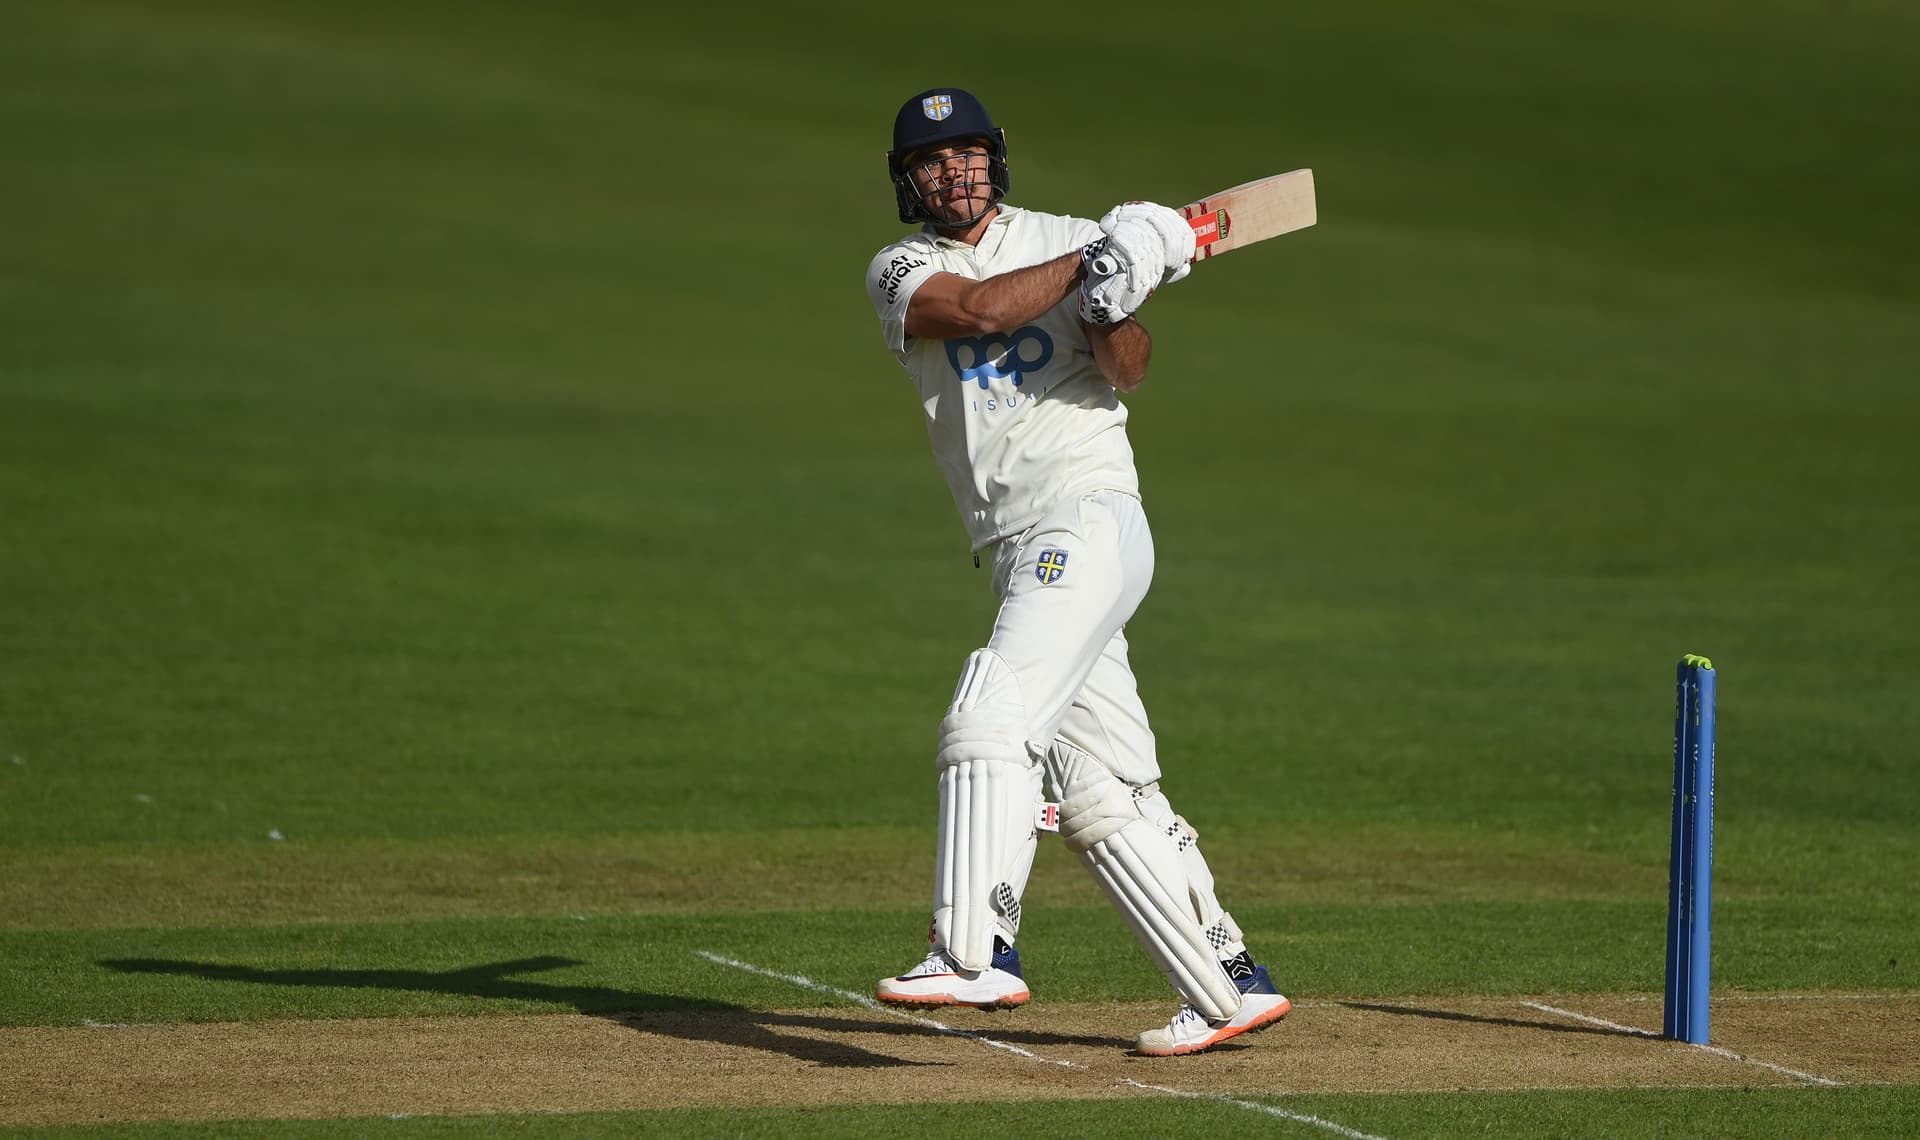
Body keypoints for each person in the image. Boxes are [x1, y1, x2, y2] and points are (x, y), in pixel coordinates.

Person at [861, 87, 1291, 1057]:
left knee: (990, 714)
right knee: (1101, 787)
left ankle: (973, 950)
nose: (953, 172)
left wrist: (1110, 300)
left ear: (996, 158)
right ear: (908, 181)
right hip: (1019, 543)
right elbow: (974, 311)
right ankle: (1226, 981)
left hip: (1085, 516)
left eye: (968, 154)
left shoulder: (1070, 237)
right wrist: (1100, 256)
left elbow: (1127, 367)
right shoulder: (902, 268)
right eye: (932, 161)